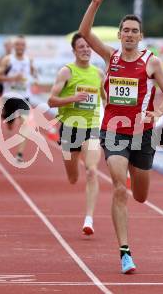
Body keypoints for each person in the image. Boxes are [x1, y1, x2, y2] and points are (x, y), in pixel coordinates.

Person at [78, 0, 163, 274]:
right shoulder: (112, 57)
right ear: (120, 35)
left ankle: (136, 172)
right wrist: (95, 2)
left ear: (141, 36)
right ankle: (125, 252)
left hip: (142, 135)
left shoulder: (152, 63)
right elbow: (84, 33)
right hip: (113, 131)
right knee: (120, 189)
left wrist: (156, 112)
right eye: (126, 31)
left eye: (135, 31)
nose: (130, 35)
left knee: (141, 196)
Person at [47, 33, 105, 236]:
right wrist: (73, 98)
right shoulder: (66, 72)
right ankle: (73, 172)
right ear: (74, 51)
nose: (86, 49)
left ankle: (89, 219)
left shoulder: (98, 74)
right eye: (81, 46)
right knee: (73, 177)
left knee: (92, 171)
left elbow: (106, 100)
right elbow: (51, 101)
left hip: (91, 128)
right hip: (69, 128)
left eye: (88, 46)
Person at [0, 35, 37, 162]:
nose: (20, 47)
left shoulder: (29, 61)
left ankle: (19, 154)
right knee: (10, 122)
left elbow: (33, 74)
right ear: (14, 47)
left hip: (24, 96)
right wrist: (12, 79)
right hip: (9, 96)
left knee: (26, 122)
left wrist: (33, 77)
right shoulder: (8, 60)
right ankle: (9, 123)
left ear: (25, 47)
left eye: (22, 45)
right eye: (17, 45)